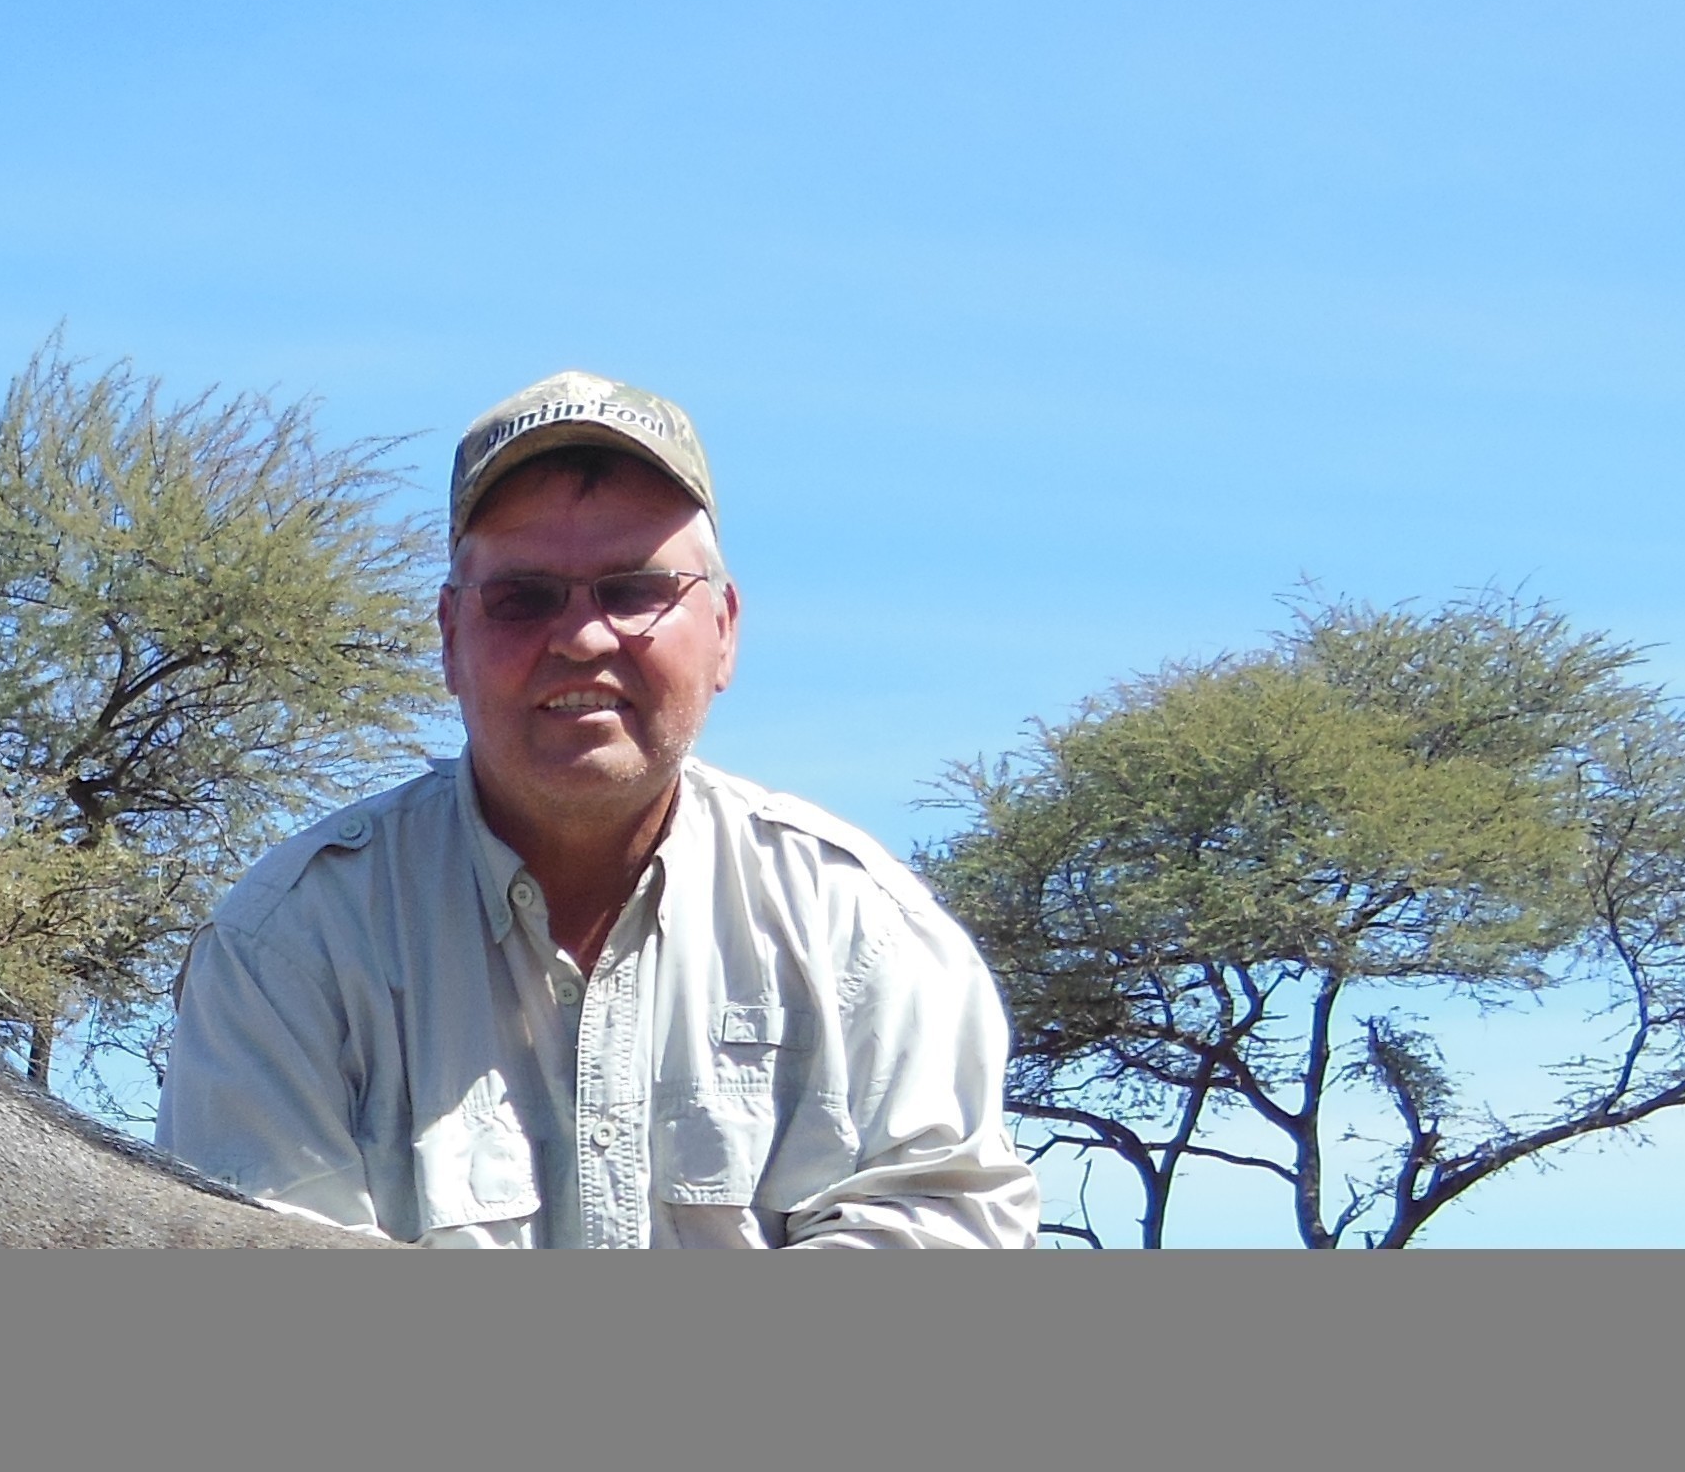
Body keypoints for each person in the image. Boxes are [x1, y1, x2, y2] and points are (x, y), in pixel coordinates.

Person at [158, 371, 1041, 1248]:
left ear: (725, 630)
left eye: (636, 591)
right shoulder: (289, 946)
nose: (581, 638)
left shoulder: (860, 926)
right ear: (452, 639)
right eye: (522, 598)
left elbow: (945, 1226)